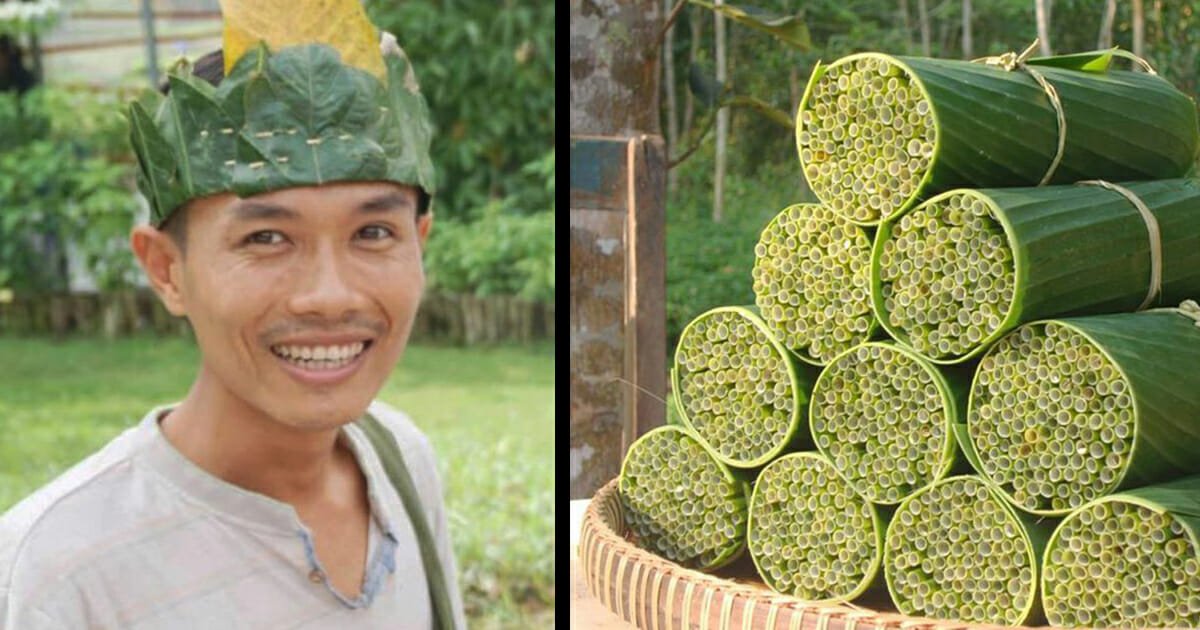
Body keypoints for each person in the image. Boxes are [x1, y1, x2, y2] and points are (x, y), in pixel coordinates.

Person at [0, 2, 466, 628]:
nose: (330, 296)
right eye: (266, 238)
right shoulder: (59, 575)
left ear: (421, 243)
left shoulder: (401, 460)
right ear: (167, 271)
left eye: (374, 231)